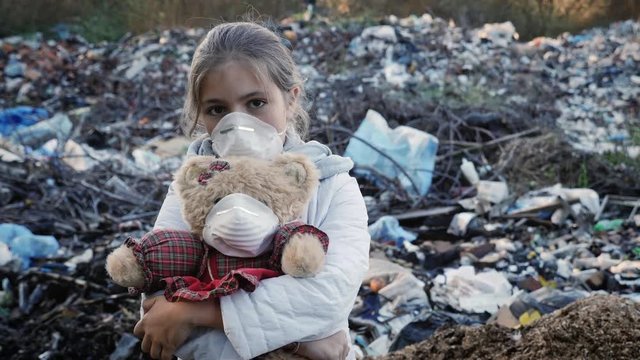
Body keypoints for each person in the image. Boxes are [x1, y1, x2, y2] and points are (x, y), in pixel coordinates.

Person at [132, 21, 370, 360]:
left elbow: (327, 298)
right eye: (218, 109)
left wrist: (198, 313)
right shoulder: (193, 186)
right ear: (202, 116)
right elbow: (156, 310)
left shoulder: (332, 185)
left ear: (290, 99)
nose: (238, 124)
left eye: (256, 103)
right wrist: (303, 344)